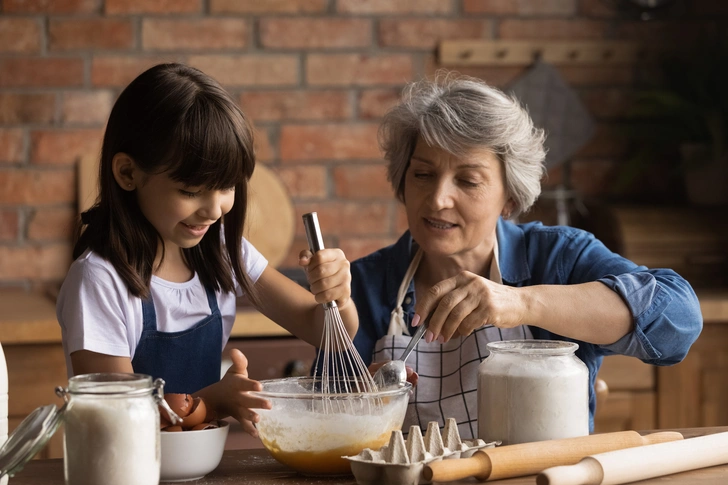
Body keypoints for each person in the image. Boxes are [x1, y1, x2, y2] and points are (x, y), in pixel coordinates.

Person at [352, 73, 703, 439]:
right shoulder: (364, 286)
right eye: (423, 174)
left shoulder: (558, 258)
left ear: (510, 199)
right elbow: (324, 420)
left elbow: (679, 322)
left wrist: (522, 303)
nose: (438, 199)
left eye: (468, 181)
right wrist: (356, 406)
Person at [56, 63, 357, 437]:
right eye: (190, 191)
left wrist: (337, 297)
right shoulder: (99, 280)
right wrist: (212, 403)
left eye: (227, 187)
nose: (215, 210)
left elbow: (329, 332)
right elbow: (117, 419)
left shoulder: (223, 253)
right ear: (128, 173)